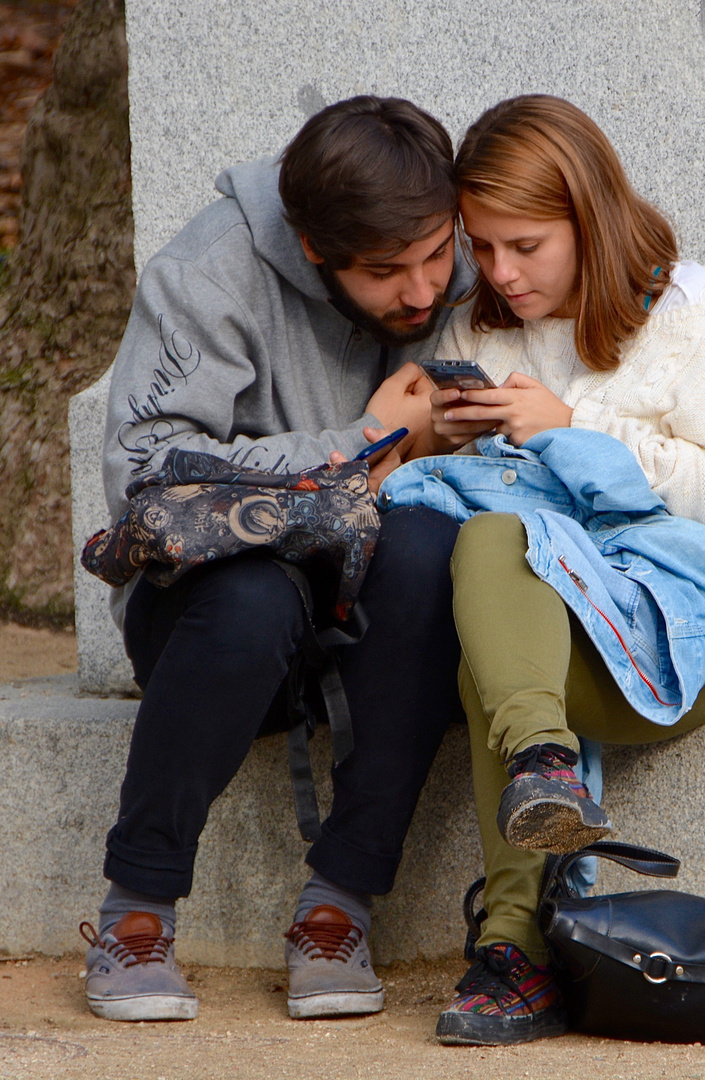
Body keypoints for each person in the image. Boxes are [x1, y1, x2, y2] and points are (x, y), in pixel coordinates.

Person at [81, 96, 473, 1023]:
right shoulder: (207, 272)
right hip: (211, 619)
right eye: (386, 273)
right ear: (311, 246)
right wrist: (369, 441)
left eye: (435, 253)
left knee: (428, 551)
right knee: (254, 596)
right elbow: (144, 471)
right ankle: (135, 910)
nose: (423, 291)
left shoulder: (464, 256)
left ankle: (337, 907)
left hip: (376, 619)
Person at [422, 94, 705, 1047]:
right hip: (550, 625)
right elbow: (475, 509)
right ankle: (547, 771)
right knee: (491, 551)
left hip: (697, 625)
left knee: (495, 665)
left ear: (587, 219)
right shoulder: (483, 329)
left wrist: (572, 432)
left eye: (527, 246)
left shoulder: (697, 313)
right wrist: (446, 441)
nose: (502, 275)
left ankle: (513, 950)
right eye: (484, 247)